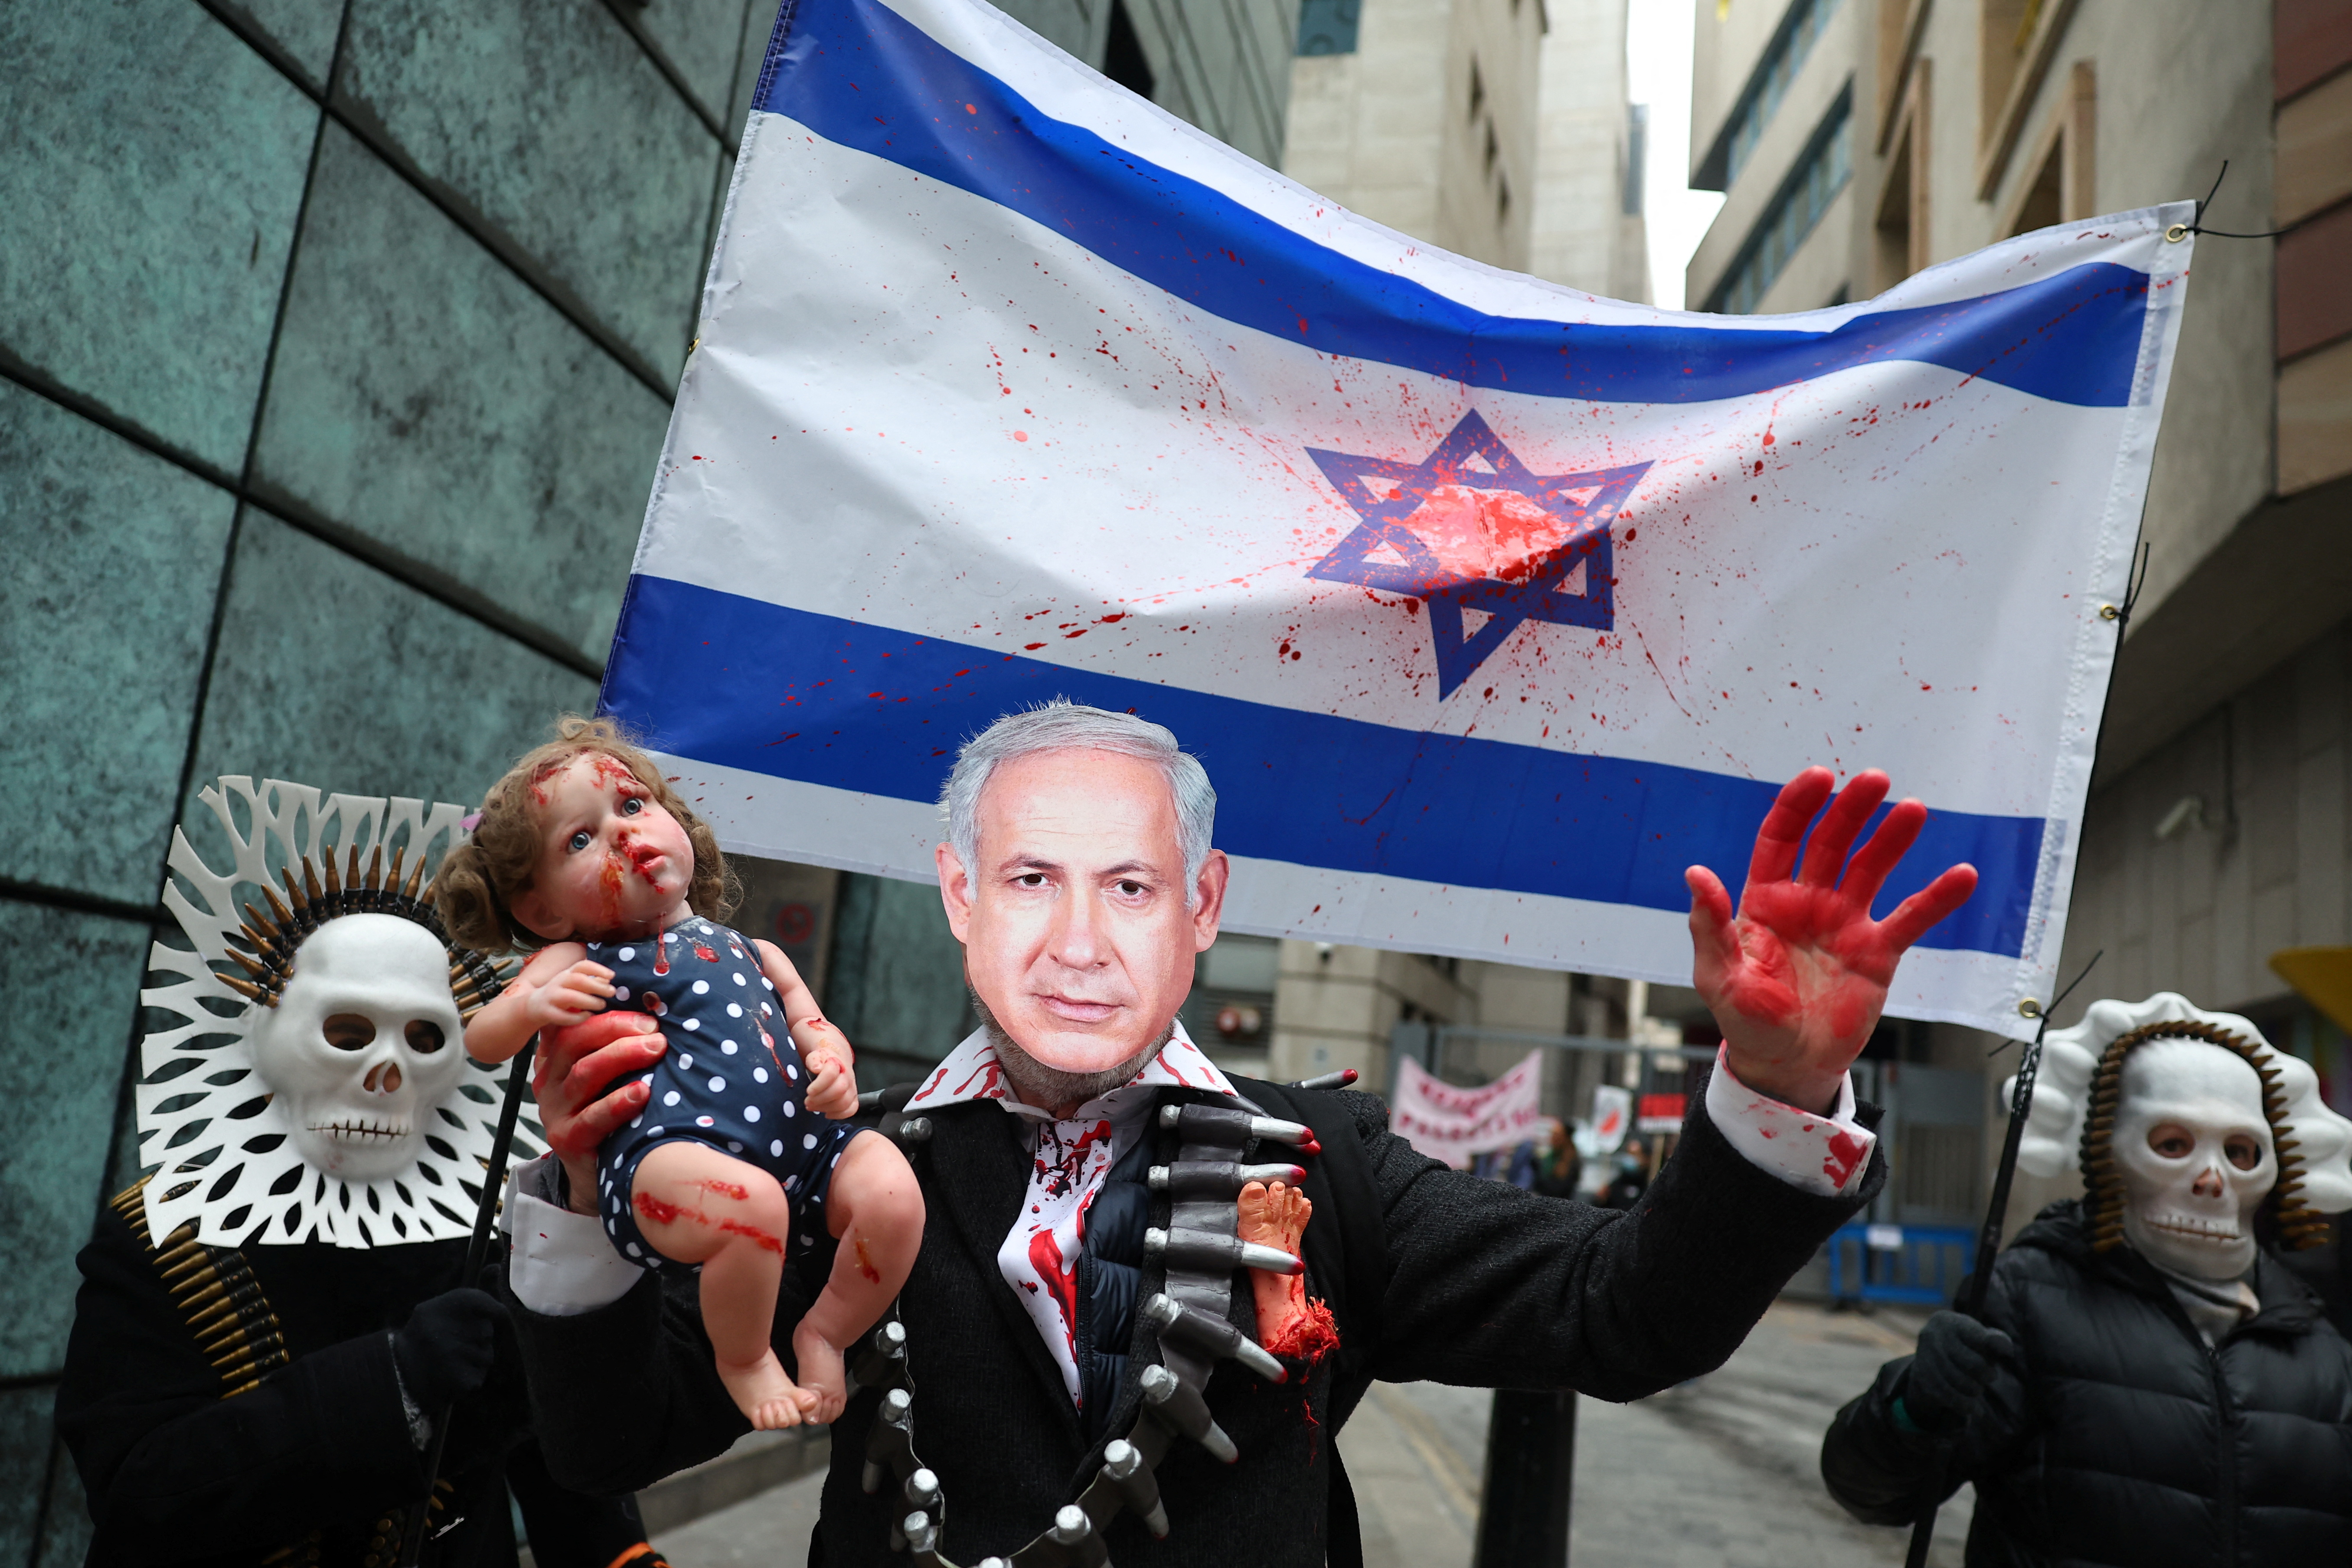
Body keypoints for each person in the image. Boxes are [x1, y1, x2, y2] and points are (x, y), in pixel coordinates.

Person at [501, 701, 1977, 1566]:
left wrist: (1772, 1088)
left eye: (1131, 887)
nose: (1078, 937)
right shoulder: (843, 1160)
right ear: (959, 897)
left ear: (1202, 908)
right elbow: (610, 1439)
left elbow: (1628, 1308)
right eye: (1029, 878)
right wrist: (584, 1199)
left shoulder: (1321, 1160)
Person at [58, 775, 653, 1568]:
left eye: (424, 1039)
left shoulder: (480, 1238)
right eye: (346, 1030)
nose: (386, 1072)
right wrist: (395, 1384)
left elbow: (566, 1475)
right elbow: (141, 1497)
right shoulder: (168, 1236)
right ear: (264, 1037)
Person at [435, 719, 924, 1431]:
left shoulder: (752, 950)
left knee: (892, 1195)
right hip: (667, 1160)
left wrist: (832, 1061)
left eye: (633, 806)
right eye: (580, 839)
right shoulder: (580, 958)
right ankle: (746, 1360)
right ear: (541, 909)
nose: (623, 834)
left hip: (807, 1150)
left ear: (678, 823)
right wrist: (536, 1002)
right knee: (751, 1207)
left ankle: (824, 1333)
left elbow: (810, 1021)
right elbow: (484, 1037)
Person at [1818, 993, 2352, 1565]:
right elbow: (1876, 1492)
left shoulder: (2323, 1355)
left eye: (2242, 1153)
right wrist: (1910, 1409)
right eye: (2172, 1145)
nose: (2212, 1179)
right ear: (2108, 1155)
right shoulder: (2029, 1303)